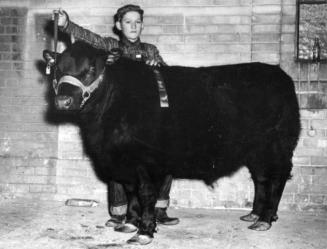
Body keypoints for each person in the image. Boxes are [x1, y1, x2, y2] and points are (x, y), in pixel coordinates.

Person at [54, 4, 179, 232]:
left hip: (148, 118)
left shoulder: (151, 50)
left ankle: (159, 209)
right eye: (128, 21)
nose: (133, 26)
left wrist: (158, 66)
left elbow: (169, 78)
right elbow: (88, 38)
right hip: (119, 118)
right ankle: (120, 212)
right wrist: (66, 25)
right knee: (116, 159)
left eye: (137, 22)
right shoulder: (109, 47)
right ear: (119, 25)